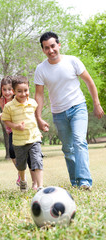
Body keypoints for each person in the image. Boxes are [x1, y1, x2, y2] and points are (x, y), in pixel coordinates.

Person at [34, 31, 104, 190]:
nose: (50, 50)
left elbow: (89, 82)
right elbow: (39, 95)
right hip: (58, 113)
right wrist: (38, 117)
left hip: (78, 107)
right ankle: (75, 181)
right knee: (68, 148)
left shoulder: (73, 61)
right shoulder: (41, 69)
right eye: (46, 48)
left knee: (79, 141)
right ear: (43, 50)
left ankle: (85, 181)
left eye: (53, 46)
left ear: (58, 45)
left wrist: (96, 103)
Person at [1, 76, 43, 192]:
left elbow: (33, 119)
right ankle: (23, 180)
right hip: (19, 141)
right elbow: (5, 120)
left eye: (26, 90)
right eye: (19, 91)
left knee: (37, 160)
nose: (23, 94)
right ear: (14, 92)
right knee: (21, 165)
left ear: (29, 89)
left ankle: (40, 186)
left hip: (34, 138)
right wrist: (15, 126)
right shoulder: (9, 106)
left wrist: (38, 131)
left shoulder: (33, 103)